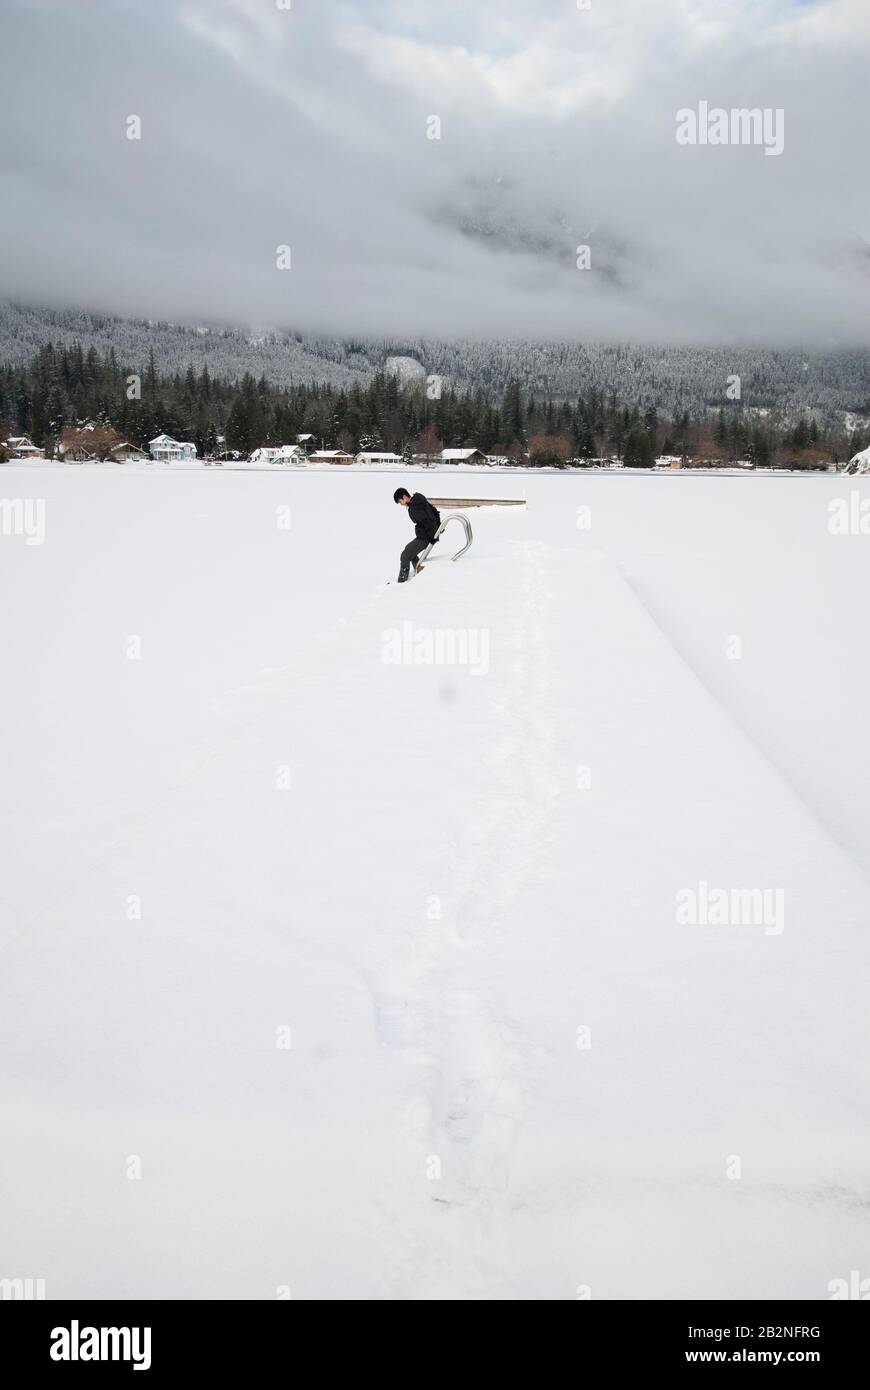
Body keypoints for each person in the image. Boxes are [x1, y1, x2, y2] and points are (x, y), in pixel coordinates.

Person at [393, 487, 441, 582]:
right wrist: (438, 528)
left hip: (426, 537)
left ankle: (402, 582)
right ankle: (419, 570)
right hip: (425, 535)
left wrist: (433, 536)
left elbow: (428, 521)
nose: (401, 504)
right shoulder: (417, 502)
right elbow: (435, 512)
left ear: (404, 497)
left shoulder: (416, 505)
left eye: (400, 501)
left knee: (405, 555)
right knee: (408, 549)